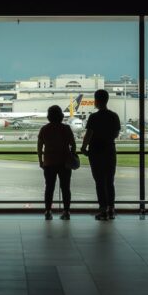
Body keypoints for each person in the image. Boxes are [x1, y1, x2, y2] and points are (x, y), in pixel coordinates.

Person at [81, 89, 121, 221]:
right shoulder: (114, 116)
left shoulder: (94, 117)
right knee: (110, 181)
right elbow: (115, 134)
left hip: (96, 151)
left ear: (96, 100)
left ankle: (103, 210)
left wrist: (83, 148)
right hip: (109, 150)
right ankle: (111, 209)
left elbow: (88, 134)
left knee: (99, 182)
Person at [37, 104, 76, 220]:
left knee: (49, 188)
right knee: (65, 188)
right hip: (65, 163)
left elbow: (39, 147)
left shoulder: (44, 129)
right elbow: (73, 145)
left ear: (49, 116)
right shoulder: (66, 128)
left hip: (49, 162)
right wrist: (71, 156)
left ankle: (48, 211)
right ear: (61, 115)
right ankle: (66, 212)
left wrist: (41, 161)